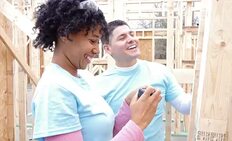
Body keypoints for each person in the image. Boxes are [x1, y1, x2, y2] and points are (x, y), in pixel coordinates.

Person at [31, 1, 162, 141]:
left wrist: (127, 106)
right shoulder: (54, 89)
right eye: (92, 41)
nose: (96, 50)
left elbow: (104, 133)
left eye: (98, 42)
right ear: (65, 34)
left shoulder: (84, 78)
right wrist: (137, 124)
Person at [95, 20, 192, 141]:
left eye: (132, 34)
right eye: (122, 37)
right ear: (108, 49)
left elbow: (184, 105)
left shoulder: (160, 72)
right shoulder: (99, 85)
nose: (131, 39)